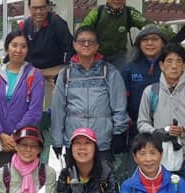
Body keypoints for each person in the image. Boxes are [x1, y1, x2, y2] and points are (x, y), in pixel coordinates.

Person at [50, 26, 129, 161]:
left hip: (102, 140)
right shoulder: (65, 74)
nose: (86, 44)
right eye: (82, 41)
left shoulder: (110, 72)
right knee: (74, 181)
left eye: (91, 41)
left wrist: (118, 133)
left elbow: (119, 106)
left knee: (104, 180)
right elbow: (58, 110)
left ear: (97, 45)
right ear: (74, 45)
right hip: (75, 141)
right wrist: (57, 141)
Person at [136, 43, 185, 187]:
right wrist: (156, 132)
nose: (174, 66)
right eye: (169, 61)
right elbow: (142, 123)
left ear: (184, 65)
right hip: (159, 158)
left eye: (178, 61)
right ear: (161, 65)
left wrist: (184, 130)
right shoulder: (151, 92)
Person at [79, 0, 185, 67]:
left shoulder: (129, 12)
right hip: (97, 54)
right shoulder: (97, 12)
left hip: (119, 56)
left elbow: (150, 26)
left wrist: (172, 37)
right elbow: (82, 31)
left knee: (122, 82)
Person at [0, 30, 45, 171]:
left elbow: (34, 111)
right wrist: (1, 135)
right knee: (3, 184)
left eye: (23, 46)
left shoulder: (35, 75)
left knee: (26, 187)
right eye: (14, 45)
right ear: (7, 47)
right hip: (0, 143)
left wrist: (15, 136)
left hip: (25, 142)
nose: (18, 50)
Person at [17, 0, 73, 108]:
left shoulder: (57, 23)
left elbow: (69, 51)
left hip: (56, 73)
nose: (38, 12)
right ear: (29, 8)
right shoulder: (26, 25)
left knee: (56, 106)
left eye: (42, 8)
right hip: (33, 74)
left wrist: (58, 71)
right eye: (35, 8)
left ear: (48, 7)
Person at [121, 25, 169, 141]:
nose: (150, 43)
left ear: (163, 43)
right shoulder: (129, 69)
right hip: (136, 129)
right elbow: (121, 100)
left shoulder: (171, 68)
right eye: (145, 40)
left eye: (154, 39)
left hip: (166, 127)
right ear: (139, 44)